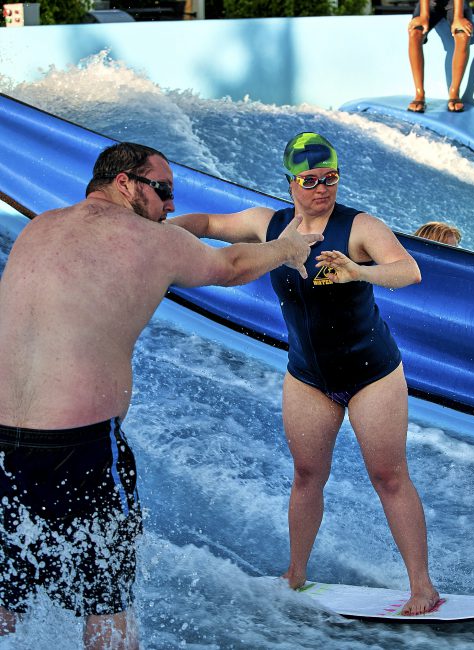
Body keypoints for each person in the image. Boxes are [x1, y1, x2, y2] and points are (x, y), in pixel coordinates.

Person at [0, 142, 320, 649]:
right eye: (163, 190)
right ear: (125, 183)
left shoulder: (38, 227)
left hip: (3, 445)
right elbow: (231, 265)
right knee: (106, 601)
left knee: (6, 592)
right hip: (80, 449)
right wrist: (287, 249)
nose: (170, 205)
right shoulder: (149, 240)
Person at [170, 132, 440, 616]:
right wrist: (164, 230)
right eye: (310, 179)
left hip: (372, 374)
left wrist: (360, 272)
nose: (321, 188)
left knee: (388, 475)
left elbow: (408, 271)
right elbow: (210, 221)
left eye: (330, 177)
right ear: (290, 181)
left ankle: (422, 586)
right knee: (307, 474)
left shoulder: (358, 227)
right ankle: (296, 572)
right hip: (308, 376)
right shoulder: (268, 225)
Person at [407, 0, 473, 113]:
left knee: (463, 34)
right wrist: (423, 15)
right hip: (430, 3)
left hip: (456, 3)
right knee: (415, 33)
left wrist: (458, 17)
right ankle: (419, 94)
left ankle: (454, 93)